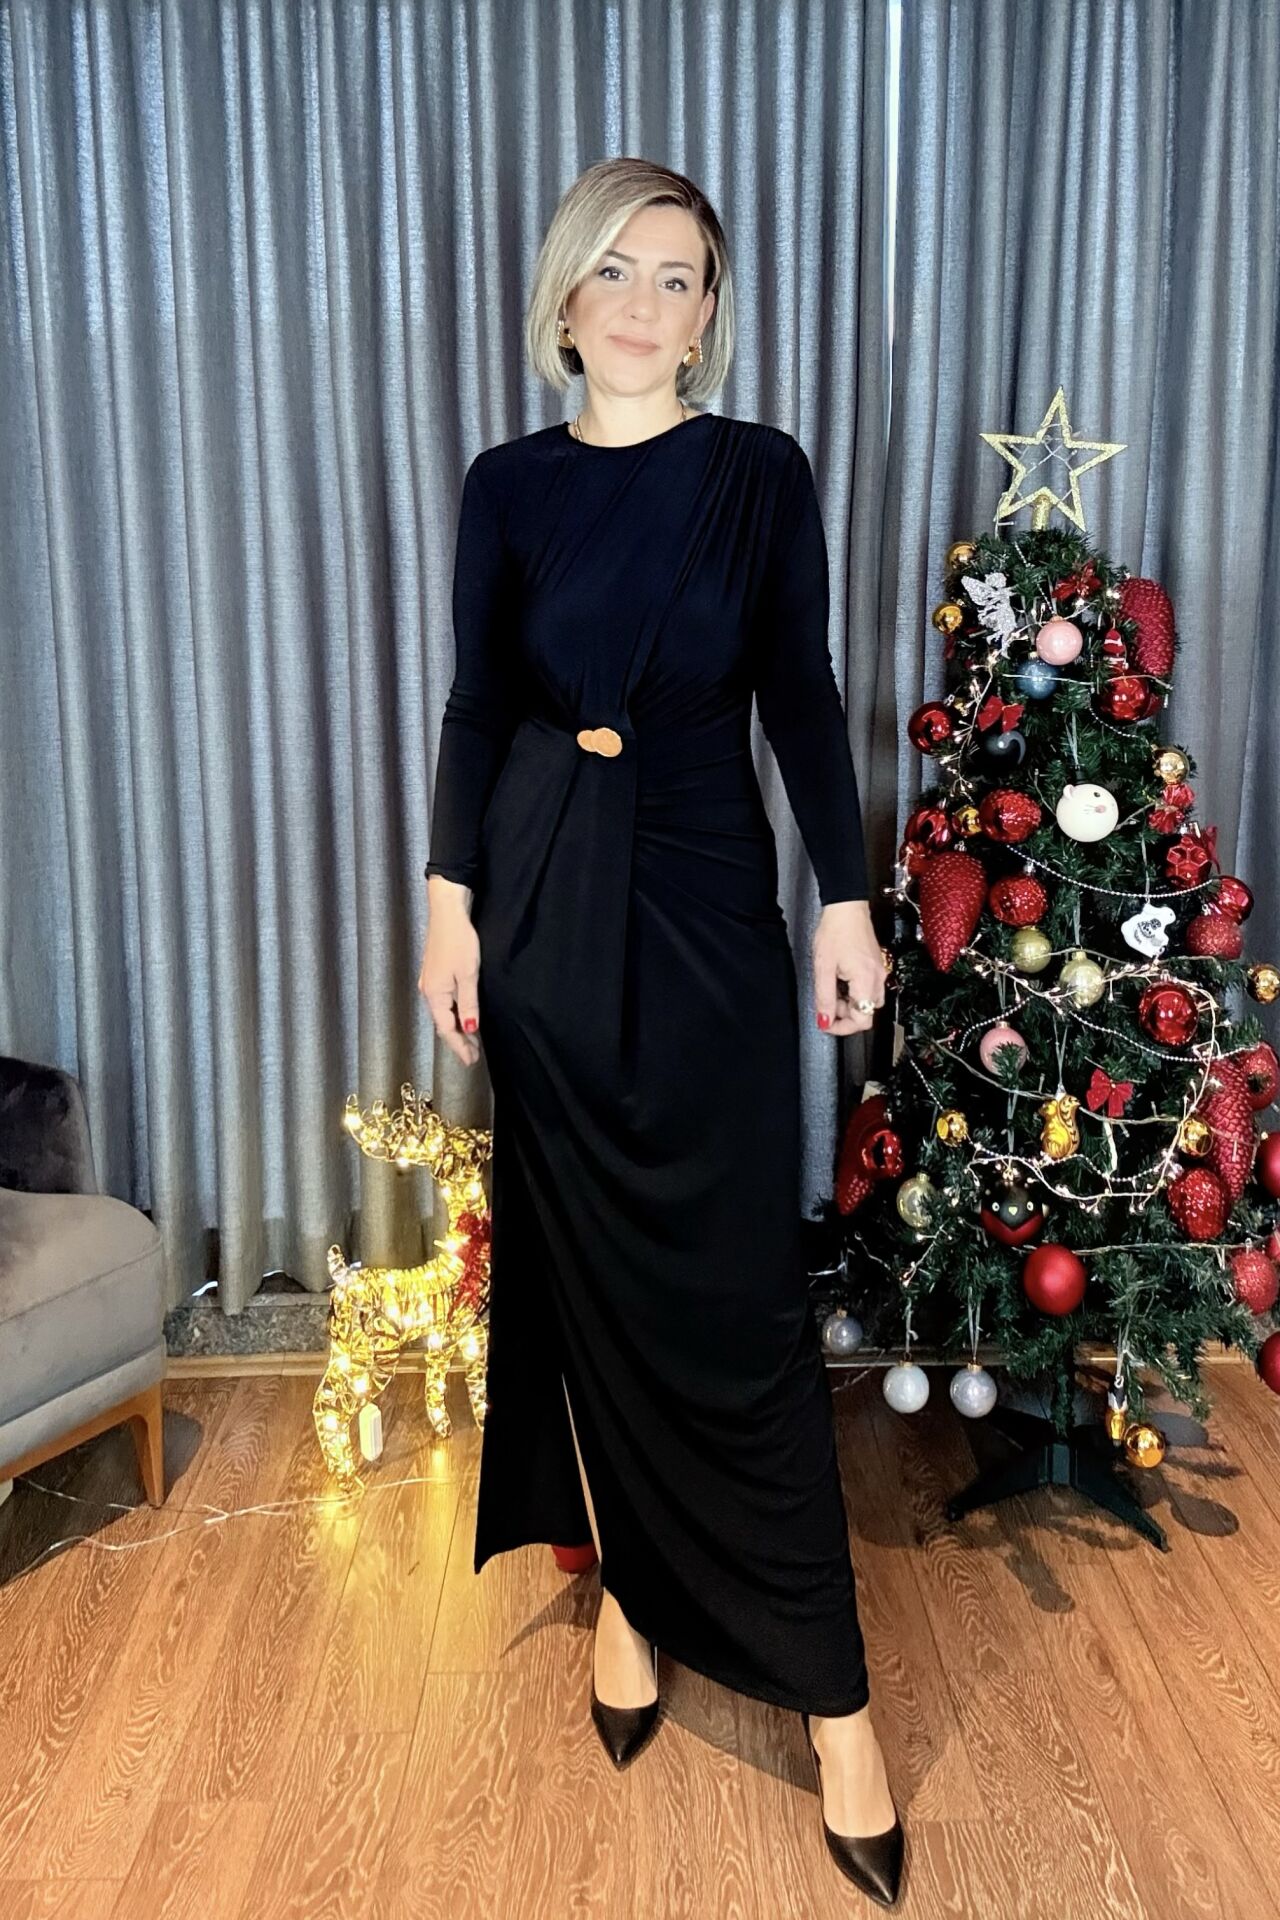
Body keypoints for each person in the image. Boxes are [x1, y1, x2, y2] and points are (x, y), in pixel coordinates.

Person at [418, 156, 904, 1908]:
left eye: (677, 276)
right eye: (614, 269)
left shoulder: (760, 475)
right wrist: (449, 903)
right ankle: (630, 1595)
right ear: (564, 297)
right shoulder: (508, 486)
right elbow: (480, 702)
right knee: (590, 1278)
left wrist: (844, 898)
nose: (642, 302)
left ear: (710, 314)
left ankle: (837, 1703)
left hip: (703, 896)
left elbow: (802, 697)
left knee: (733, 1294)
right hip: (543, 898)